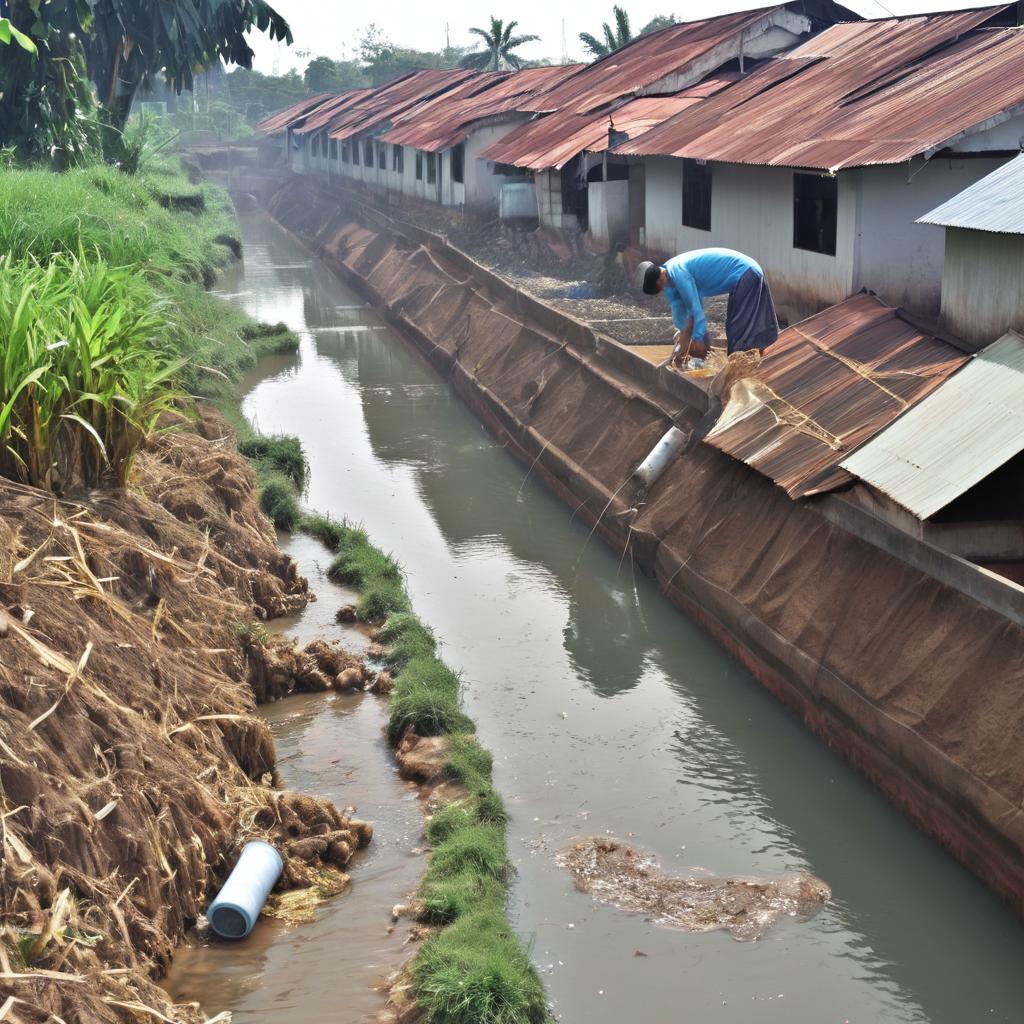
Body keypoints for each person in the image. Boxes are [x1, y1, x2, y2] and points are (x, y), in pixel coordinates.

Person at [634, 248, 778, 367]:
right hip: (745, 272)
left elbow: (696, 310)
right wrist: (682, 334)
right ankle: (749, 361)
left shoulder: (678, 274)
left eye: (660, 289)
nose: (661, 293)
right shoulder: (667, 274)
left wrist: (696, 339)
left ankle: (743, 369)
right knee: (740, 323)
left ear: (660, 281)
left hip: (746, 273)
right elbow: (678, 308)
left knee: (738, 326)